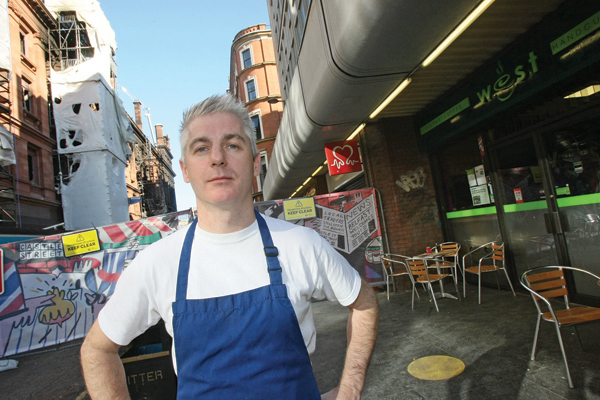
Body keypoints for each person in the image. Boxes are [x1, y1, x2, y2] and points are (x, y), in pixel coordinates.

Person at [80, 94, 379, 399]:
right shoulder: (157, 263)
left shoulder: (301, 244)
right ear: (185, 170)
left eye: (233, 145)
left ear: (255, 162)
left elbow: (364, 303)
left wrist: (349, 390)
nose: (217, 158)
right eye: (201, 148)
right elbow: (97, 351)